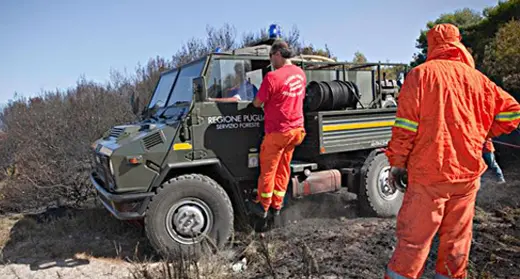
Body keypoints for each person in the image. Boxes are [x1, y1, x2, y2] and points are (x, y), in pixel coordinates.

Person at [384, 23, 520, 279]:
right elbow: (513, 111)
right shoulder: (480, 80)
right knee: (457, 244)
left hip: (429, 175)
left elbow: (405, 127)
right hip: (467, 177)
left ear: (432, 45)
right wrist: (483, 132)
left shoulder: (420, 75)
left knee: (414, 242)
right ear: (458, 44)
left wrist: (398, 163)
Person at [249, 39, 307, 218]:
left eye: (271, 57)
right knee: (284, 168)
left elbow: (257, 103)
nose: (270, 62)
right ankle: (277, 205)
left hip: (278, 132)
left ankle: (263, 207)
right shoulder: (300, 74)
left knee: (268, 170)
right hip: (297, 131)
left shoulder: (273, 77)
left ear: (277, 54)